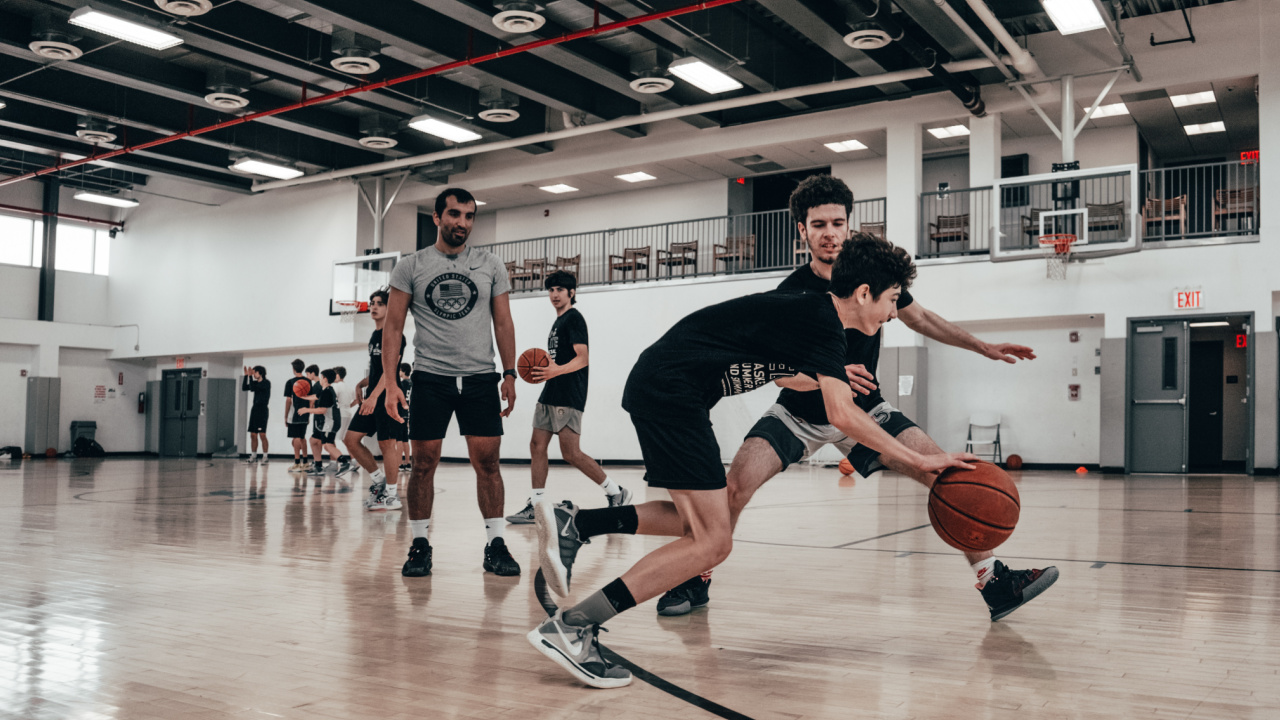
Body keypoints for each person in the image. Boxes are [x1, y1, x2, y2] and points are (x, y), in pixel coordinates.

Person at [528, 234, 976, 688]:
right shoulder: (821, 318)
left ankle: (576, 524)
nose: (893, 314)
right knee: (713, 543)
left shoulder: (818, 319)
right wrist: (923, 461)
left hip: (667, 387)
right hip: (671, 392)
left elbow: (799, 381)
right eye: (892, 301)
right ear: (864, 293)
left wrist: (834, 379)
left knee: (703, 526)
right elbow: (843, 415)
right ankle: (572, 626)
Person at [655, 175, 1058, 621]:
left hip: (868, 411)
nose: (829, 232)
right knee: (735, 487)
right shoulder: (790, 294)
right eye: (818, 224)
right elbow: (780, 378)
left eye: (838, 222)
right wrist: (825, 375)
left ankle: (994, 581)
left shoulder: (875, 277)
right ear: (801, 231)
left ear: (849, 225)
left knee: (951, 474)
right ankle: (697, 575)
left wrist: (983, 346)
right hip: (798, 414)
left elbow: (922, 319)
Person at [381, 187, 520, 578]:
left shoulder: (491, 264)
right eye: (455, 214)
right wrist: (391, 383)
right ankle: (420, 544)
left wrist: (508, 373)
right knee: (423, 464)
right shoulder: (411, 266)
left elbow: (503, 322)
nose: (463, 223)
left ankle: (495, 544)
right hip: (430, 378)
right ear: (437, 218)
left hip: (480, 378)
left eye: (469, 216)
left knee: (488, 463)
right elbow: (392, 327)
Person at [507, 270, 630, 525]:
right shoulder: (557, 322)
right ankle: (538, 505)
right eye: (551, 290)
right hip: (551, 391)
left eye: (560, 290)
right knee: (536, 445)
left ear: (571, 293)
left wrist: (554, 370)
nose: (554, 295)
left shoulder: (574, 319)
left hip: (569, 394)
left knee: (571, 453)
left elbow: (582, 358)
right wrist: (546, 371)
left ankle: (615, 491)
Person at [343, 290, 407, 511]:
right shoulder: (373, 336)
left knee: (387, 443)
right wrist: (361, 384)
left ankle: (391, 495)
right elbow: (378, 370)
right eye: (372, 303)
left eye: (380, 303)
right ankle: (379, 481)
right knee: (350, 439)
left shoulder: (396, 334)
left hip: (387, 396)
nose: (374, 307)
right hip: (373, 394)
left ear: (389, 308)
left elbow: (391, 372)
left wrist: (373, 396)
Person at [302, 369, 342, 477]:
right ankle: (318, 467)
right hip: (328, 422)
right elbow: (315, 396)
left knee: (327, 445)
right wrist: (302, 396)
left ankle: (344, 463)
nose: (320, 379)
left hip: (330, 422)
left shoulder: (327, 392)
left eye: (321, 377)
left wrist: (306, 410)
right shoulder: (327, 390)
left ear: (324, 379)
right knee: (314, 441)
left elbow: (322, 410)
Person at [282, 359, 309, 471]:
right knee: (302, 437)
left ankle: (297, 463)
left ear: (293, 369)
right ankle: (306, 462)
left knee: (296, 437)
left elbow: (289, 400)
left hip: (294, 413)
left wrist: (285, 415)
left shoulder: (290, 382)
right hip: (305, 412)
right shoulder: (308, 382)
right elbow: (311, 399)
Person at [241, 365, 270, 464]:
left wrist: (249, 376)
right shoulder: (255, 383)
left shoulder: (266, 383)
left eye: (255, 372)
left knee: (262, 435)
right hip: (255, 410)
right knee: (253, 435)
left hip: (262, 411)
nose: (253, 374)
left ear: (260, 373)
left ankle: (265, 456)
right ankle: (253, 455)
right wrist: (246, 376)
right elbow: (244, 387)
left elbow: (253, 389)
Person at [331, 366, 356, 477]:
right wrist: (349, 405)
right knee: (345, 439)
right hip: (347, 414)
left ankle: (335, 463)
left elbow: (332, 399)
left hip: (339, 414)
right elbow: (358, 399)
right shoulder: (349, 387)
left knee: (331, 439)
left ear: (337, 375)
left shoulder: (335, 386)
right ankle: (354, 460)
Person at [396, 363, 412, 473]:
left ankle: (400, 464)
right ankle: (408, 462)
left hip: (400, 413)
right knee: (405, 439)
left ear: (403, 370)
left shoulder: (402, 384)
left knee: (399, 439)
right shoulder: (412, 383)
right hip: (408, 413)